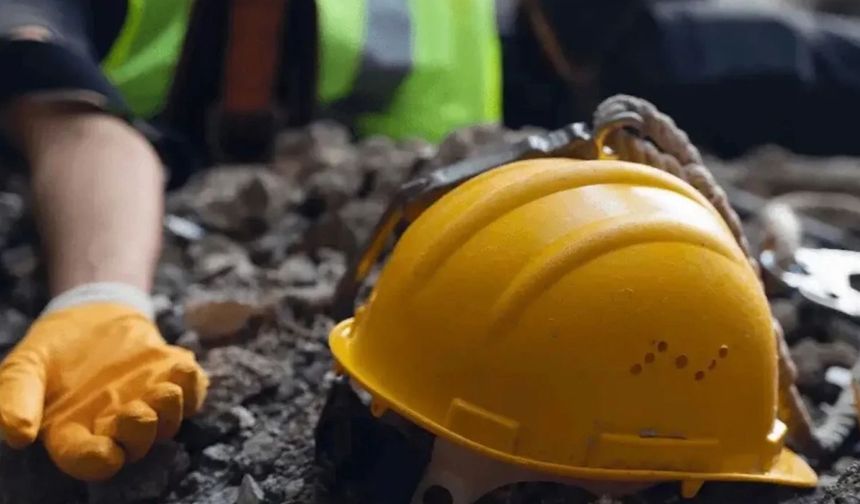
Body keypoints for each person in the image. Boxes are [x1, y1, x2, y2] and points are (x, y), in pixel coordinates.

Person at [0, 0, 859, 483]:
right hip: (493, 105)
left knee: (808, 67)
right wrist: (99, 291)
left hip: (531, 52)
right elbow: (78, 131)